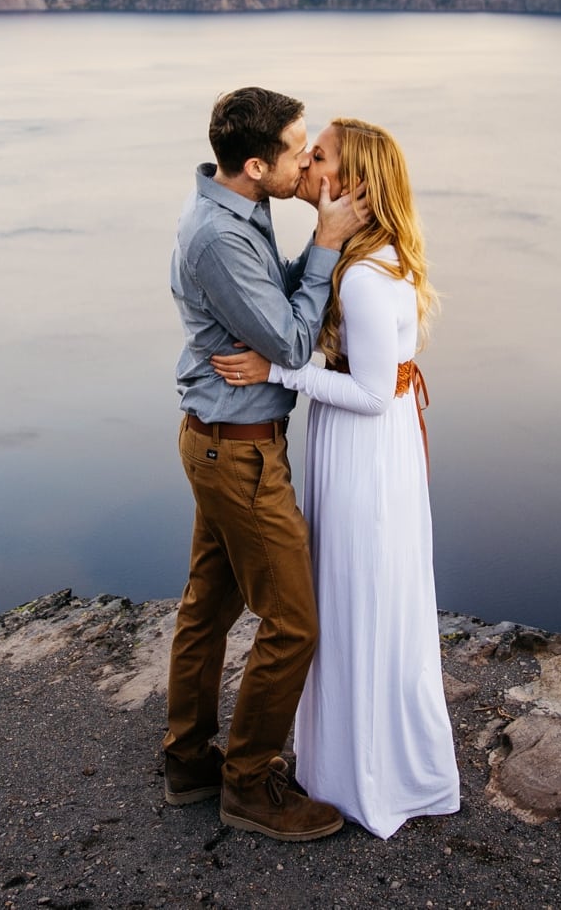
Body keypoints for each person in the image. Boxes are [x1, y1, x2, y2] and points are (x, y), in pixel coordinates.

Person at [210, 118, 460, 839]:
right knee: (357, 599)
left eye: (319, 156)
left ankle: (365, 776)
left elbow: (375, 392)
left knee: (356, 600)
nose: (306, 162)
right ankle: (352, 763)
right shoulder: (359, 258)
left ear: (350, 184)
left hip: (366, 452)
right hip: (362, 447)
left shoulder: (368, 279)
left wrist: (278, 369)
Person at [164, 86, 368, 842]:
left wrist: (303, 271)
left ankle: (188, 762)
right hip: (238, 453)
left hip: (219, 439)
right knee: (293, 621)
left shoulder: (238, 211)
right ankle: (248, 783)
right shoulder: (219, 236)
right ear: (255, 164)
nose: (306, 162)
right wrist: (324, 248)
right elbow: (288, 343)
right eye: (296, 150)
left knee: (209, 607)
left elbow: (271, 318)